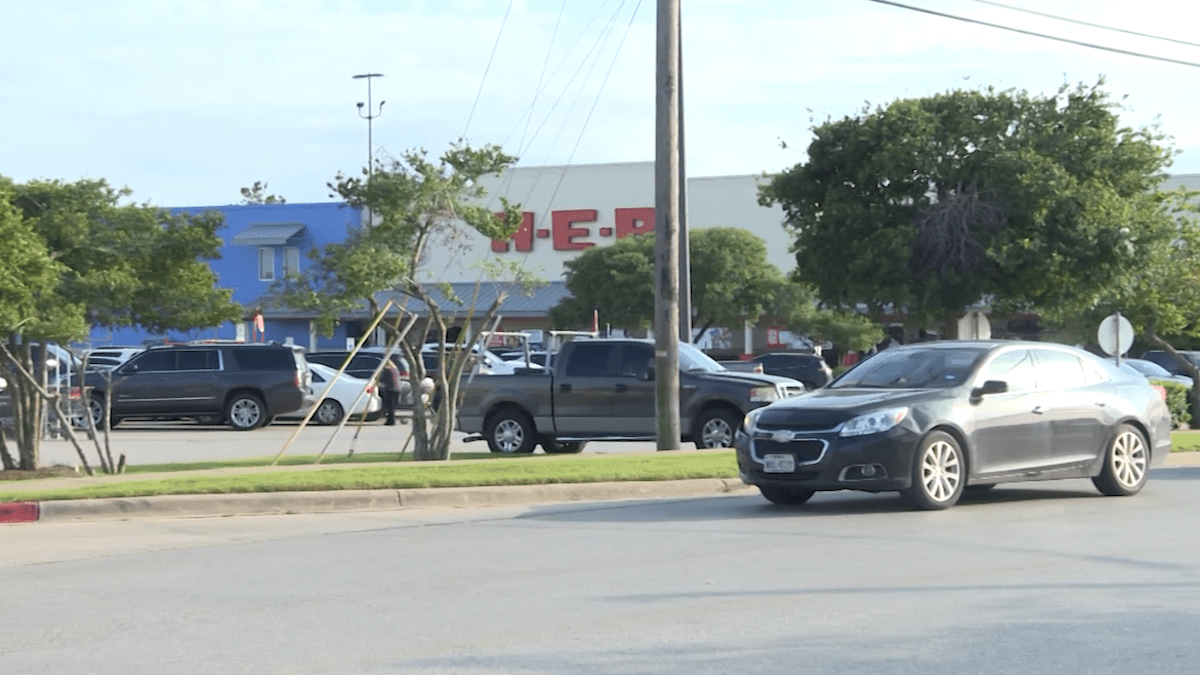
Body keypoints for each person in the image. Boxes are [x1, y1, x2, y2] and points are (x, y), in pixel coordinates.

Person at [378, 358, 402, 426]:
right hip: (398, 388)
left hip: (391, 389)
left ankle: (391, 420)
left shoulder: (387, 370)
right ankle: (391, 419)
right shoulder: (395, 369)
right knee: (393, 405)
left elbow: (382, 379)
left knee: (390, 405)